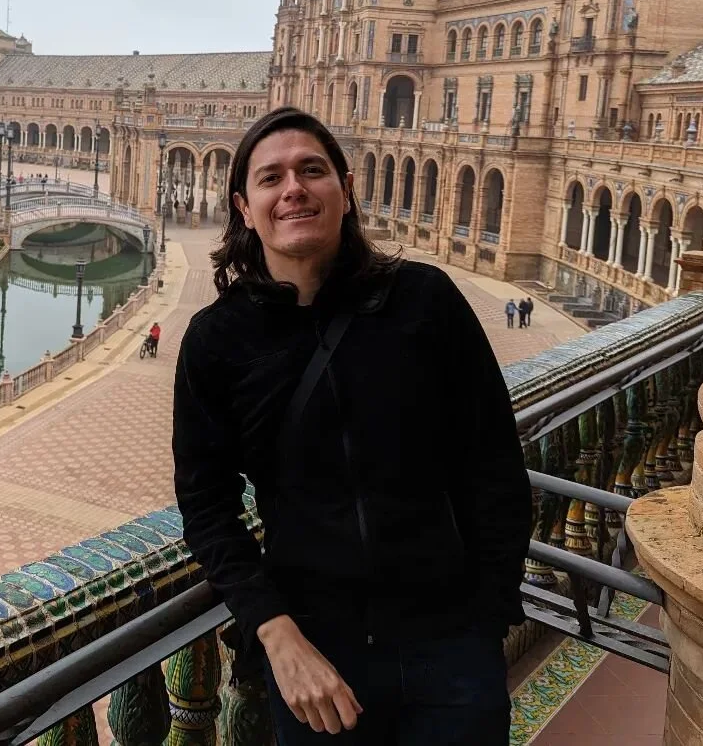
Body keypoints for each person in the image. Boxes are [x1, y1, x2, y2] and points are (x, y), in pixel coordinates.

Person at [173, 107, 529, 744]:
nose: (293, 189)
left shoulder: (425, 301)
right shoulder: (216, 340)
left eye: (312, 170)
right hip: (314, 653)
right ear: (244, 207)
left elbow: (493, 463)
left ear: (346, 188)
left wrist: (486, 616)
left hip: (448, 642)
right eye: (270, 178)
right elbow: (206, 505)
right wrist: (275, 633)